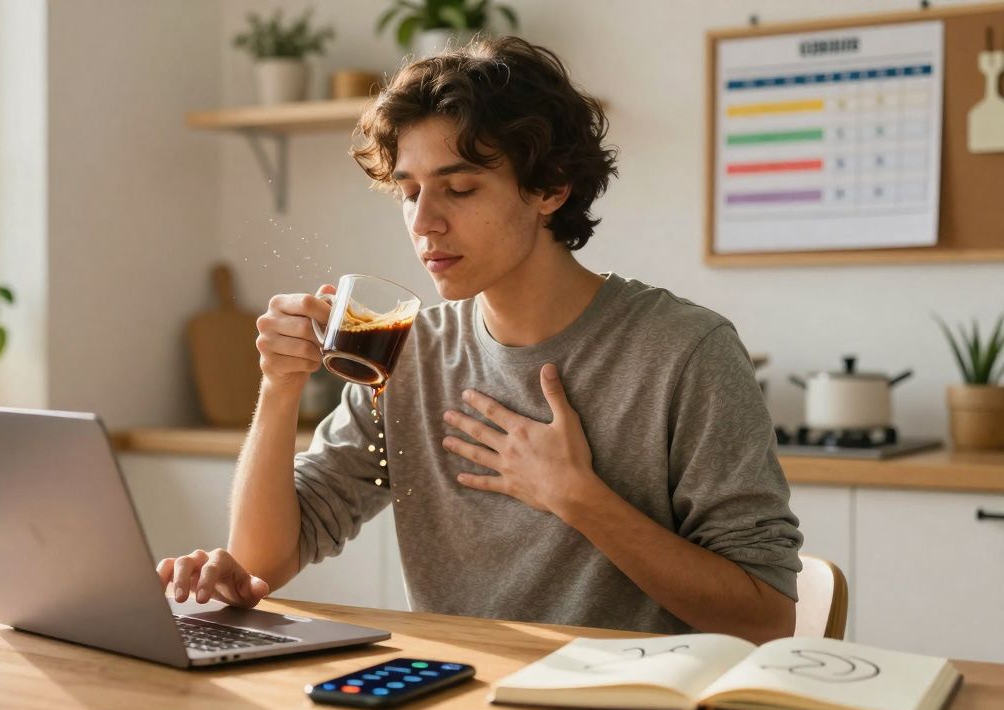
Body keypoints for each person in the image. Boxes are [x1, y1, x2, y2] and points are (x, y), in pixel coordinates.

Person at [157, 36, 802, 643]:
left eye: (460, 188)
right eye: (409, 192)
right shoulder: (409, 354)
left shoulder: (686, 353)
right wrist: (280, 386)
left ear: (550, 187)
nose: (425, 222)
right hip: (455, 702)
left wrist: (580, 500)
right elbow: (264, 560)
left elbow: (765, 620)